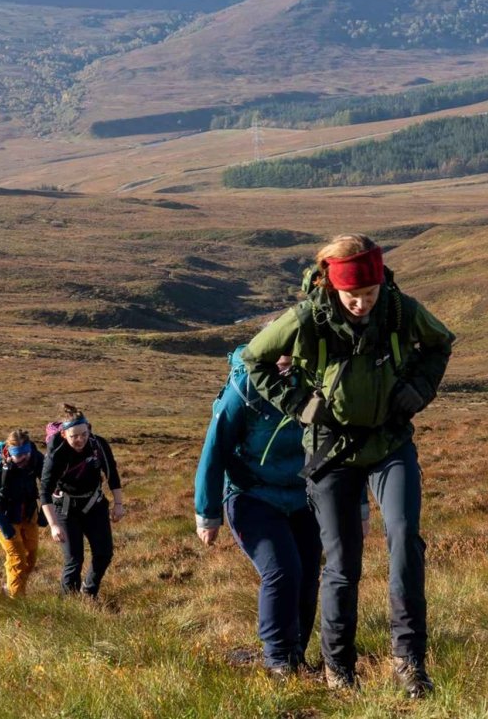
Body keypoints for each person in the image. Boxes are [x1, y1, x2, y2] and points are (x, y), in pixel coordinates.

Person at [245, 234, 454, 698]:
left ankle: (410, 663)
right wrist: (298, 403)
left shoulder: (400, 310)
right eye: (351, 296)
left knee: (404, 540)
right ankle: (339, 669)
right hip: (331, 452)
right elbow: (253, 358)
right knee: (342, 564)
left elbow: (441, 344)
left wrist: (417, 391)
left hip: (389, 444)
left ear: (381, 285)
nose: (361, 304)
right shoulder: (305, 319)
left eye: (369, 295)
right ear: (331, 284)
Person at [194, 347, 324, 677]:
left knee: (308, 576)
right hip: (250, 496)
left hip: (303, 497)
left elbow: (334, 443)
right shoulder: (243, 389)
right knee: (282, 570)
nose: (287, 367)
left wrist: (357, 504)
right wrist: (207, 514)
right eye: (280, 360)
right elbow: (214, 449)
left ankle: (296, 654)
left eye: (293, 359)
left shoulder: (313, 384)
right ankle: (278, 659)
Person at [40, 404, 124, 598]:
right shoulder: (57, 453)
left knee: (104, 553)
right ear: (64, 435)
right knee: (74, 560)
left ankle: (89, 590)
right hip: (66, 509)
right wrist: (53, 525)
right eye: (74, 436)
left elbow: (112, 474)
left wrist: (118, 504)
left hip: (94, 505)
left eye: (84, 434)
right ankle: (68, 606)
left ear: (89, 429)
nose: (80, 440)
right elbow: (44, 491)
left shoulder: (99, 445)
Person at [0, 428, 42, 597]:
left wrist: (44, 512)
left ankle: (11, 586)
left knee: (31, 555)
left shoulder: (35, 458)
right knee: (17, 557)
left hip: (28, 514)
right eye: (19, 455)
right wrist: (6, 528)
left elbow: (47, 482)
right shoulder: (0, 466)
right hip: (5, 516)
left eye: (26, 453)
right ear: (9, 453)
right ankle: (17, 600)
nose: (24, 458)